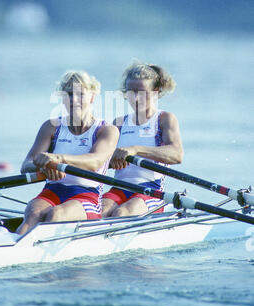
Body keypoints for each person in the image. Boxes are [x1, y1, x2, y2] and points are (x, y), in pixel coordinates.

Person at [17, 70, 119, 235]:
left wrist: (58, 159)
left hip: (87, 196)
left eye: (80, 94)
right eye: (69, 94)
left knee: (56, 214)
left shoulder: (107, 130)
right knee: (33, 213)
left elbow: (95, 162)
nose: (74, 99)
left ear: (92, 97)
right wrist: (43, 167)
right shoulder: (51, 127)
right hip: (52, 191)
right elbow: (26, 164)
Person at [101, 62, 184, 218]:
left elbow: (177, 154)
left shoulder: (164, 118)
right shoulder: (118, 123)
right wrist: (112, 160)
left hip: (150, 191)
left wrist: (135, 149)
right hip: (118, 188)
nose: (136, 98)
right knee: (99, 212)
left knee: (121, 213)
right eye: (131, 92)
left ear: (155, 92)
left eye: (142, 92)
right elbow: (103, 160)